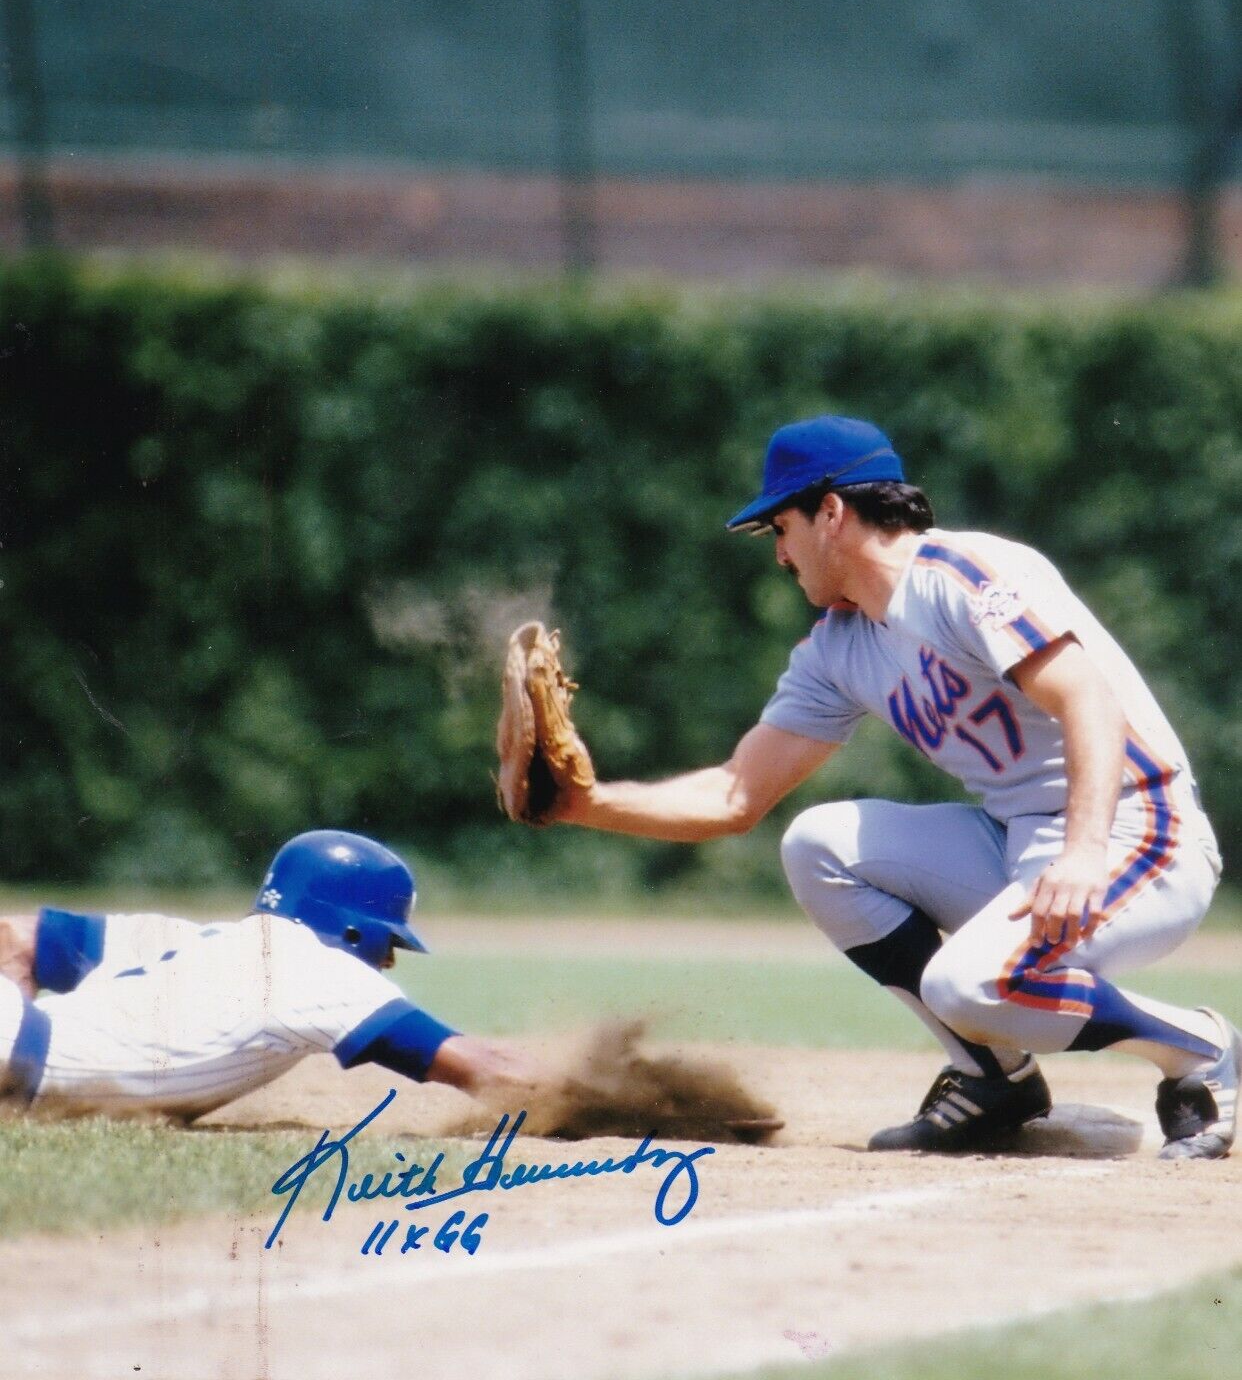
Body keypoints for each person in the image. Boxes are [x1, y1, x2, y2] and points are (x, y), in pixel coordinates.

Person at [553, 414, 1239, 1158]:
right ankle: (993, 1079)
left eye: (779, 527)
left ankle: (1200, 1048)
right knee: (817, 844)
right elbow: (733, 795)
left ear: (832, 512)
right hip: (1021, 843)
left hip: (1139, 833)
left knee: (965, 985)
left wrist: (1080, 854)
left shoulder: (963, 576)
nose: (779, 554)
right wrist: (584, 802)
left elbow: (1089, 700)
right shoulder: (839, 648)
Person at [0, 830, 532, 1118]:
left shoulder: (190, 940)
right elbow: (486, 1069)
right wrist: (604, 1097)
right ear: (352, 929)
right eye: (387, 942)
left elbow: (15, 937)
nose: (387, 962)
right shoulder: (318, 971)